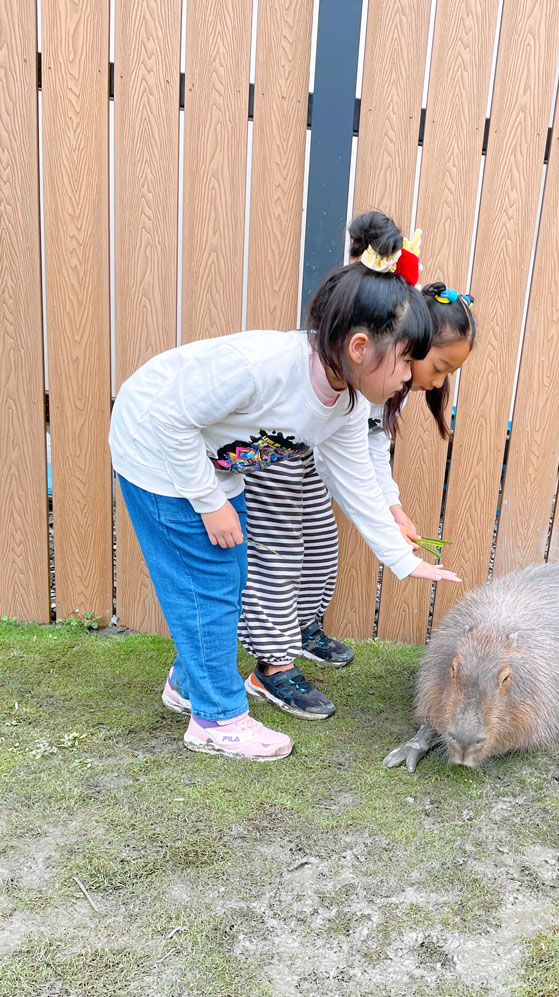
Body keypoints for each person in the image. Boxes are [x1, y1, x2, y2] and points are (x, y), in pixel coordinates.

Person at [108, 210, 460, 761]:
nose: (406, 379)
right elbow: (168, 419)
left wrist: (401, 557)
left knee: (227, 575)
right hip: (155, 451)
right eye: (407, 361)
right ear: (362, 347)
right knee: (208, 580)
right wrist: (208, 502)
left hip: (209, 463)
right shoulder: (263, 367)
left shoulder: (346, 403)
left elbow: (356, 484)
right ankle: (217, 719)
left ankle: (188, 681)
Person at [232, 213, 476, 719]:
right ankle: (271, 667)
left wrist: (393, 510)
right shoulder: (375, 373)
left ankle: (301, 629)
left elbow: (370, 450)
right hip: (278, 457)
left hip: (319, 464)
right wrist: (390, 521)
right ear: (408, 343)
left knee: (320, 542)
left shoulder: (392, 384)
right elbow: (353, 448)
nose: (436, 380)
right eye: (439, 366)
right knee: (277, 554)